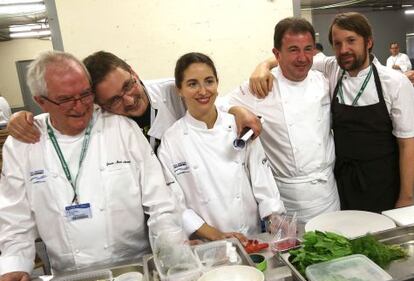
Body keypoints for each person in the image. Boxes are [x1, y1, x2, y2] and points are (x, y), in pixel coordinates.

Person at [0, 51, 176, 281]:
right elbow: (14, 217)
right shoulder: (23, 143)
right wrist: (14, 265)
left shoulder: (121, 128)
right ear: (41, 101)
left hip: (135, 270)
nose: (81, 106)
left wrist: (171, 253)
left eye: (85, 94)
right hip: (70, 278)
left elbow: (160, 203)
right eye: (66, 100)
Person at [249, 12, 414, 212]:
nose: (344, 50)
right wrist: (262, 66)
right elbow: (295, 57)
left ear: (368, 42)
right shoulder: (332, 67)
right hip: (342, 183)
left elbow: (407, 145)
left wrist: (406, 197)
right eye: (337, 44)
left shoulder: (395, 83)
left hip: (384, 182)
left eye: (351, 41)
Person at [7, 51, 261, 149]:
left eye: (129, 85)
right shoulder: (96, 111)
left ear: (133, 71)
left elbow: (209, 99)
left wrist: (238, 109)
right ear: (98, 102)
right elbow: (61, 113)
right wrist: (19, 119)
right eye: (115, 100)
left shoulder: (170, 91)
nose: (129, 100)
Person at [220, 18, 340, 223]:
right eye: (293, 49)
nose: (302, 58)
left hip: (328, 193)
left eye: (308, 49)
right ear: (277, 54)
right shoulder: (261, 87)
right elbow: (219, 105)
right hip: (286, 200)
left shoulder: (324, 79)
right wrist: (238, 110)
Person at [157, 52, 286, 242]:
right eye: (192, 84)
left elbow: (262, 177)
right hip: (208, 243)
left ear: (217, 83)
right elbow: (175, 202)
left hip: (251, 238)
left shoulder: (240, 126)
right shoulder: (171, 141)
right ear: (179, 90)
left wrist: (274, 217)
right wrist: (215, 235)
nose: (203, 91)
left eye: (209, 81)